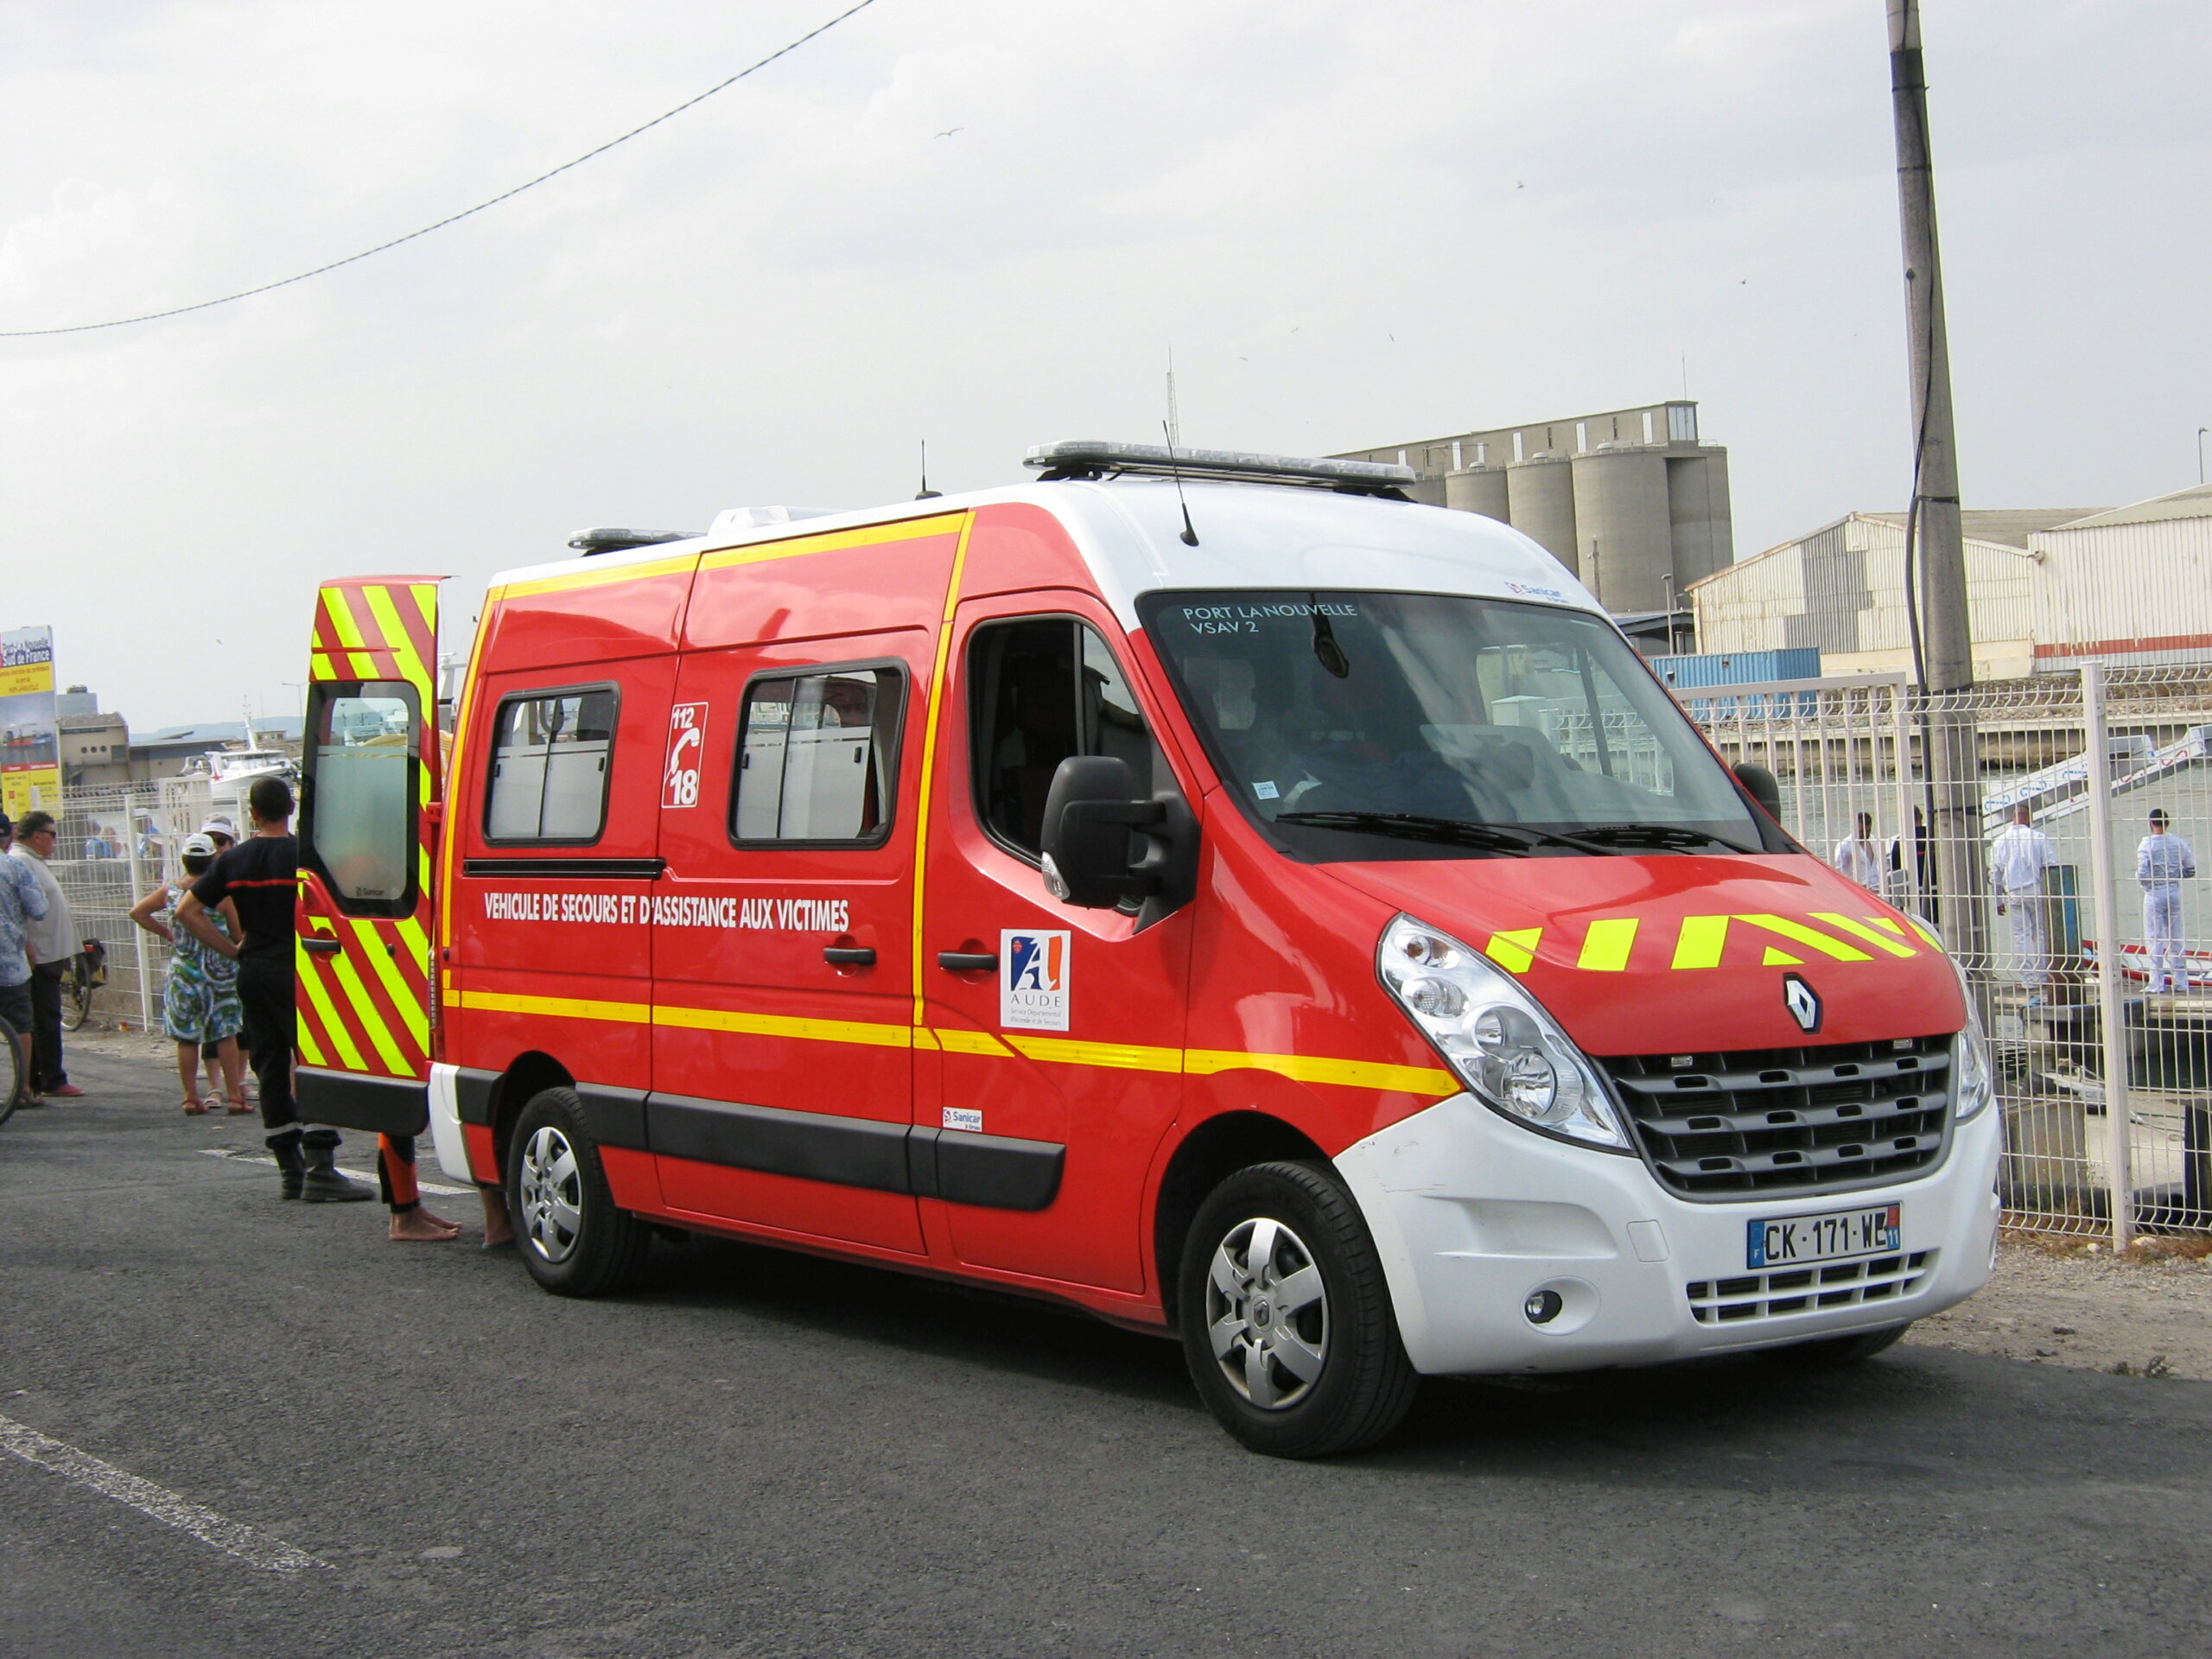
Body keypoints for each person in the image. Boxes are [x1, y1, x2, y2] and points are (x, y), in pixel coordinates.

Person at [175, 776, 372, 1202]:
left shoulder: (234, 860)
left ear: (253, 813)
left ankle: (290, 1172)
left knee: (269, 1068)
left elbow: (186, 911)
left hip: (254, 971)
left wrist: (232, 950)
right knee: (314, 1061)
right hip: (301, 971)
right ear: (291, 810)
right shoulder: (308, 856)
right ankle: (322, 1167)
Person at [128, 832, 250, 1115]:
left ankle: (190, 1097)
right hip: (221, 971)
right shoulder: (222, 894)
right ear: (212, 860)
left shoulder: (172, 891)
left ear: (184, 860)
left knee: (187, 1037)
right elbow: (237, 933)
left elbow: (138, 912)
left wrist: (168, 933)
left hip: (184, 971)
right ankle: (234, 1096)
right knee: (226, 1034)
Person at [9, 810, 88, 1100]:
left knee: (45, 1016)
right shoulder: (21, 862)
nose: (55, 841)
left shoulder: (33, 861)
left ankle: (43, 1077)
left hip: (49, 952)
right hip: (37, 955)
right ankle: (50, 1078)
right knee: (43, 1017)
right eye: (52, 834)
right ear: (37, 836)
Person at [0, 812, 49, 1104]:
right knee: (20, 1024)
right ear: (8, 838)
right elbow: (39, 909)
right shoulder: (14, 867)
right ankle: (23, 1090)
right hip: (9, 961)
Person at [1990, 802, 2058, 998]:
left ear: (2013, 818)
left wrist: (1998, 900)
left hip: (2014, 892)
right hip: (2038, 890)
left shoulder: (2001, 841)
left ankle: (2028, 979)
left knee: (2021, 935)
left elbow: (1995, 872)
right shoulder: (2039, 838)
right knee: (2042, 933)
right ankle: (2044, 975)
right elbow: (2051, 865)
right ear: (2028, 818)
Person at [2138, 807, 2197, 995]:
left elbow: (2142, 874)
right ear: (2167, 823)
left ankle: (2157, 983)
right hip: (2174, 891)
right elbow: (2190, 870)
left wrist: (2149, 886)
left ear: (2150, 823)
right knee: (2176, 937)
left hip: (2155, 893)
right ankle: (2181, 982)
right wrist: (2173, 876)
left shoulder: (2146, 845)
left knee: (2154, 937)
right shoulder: (2179, 843)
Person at [1833, 811, 1882, 891]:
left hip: (1875, 885)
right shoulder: (1845, 845)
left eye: (1868, 831)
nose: (1865, 834)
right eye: (1862, 831)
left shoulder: (1873, 839)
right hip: (1857, 888)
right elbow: (1837, 870)